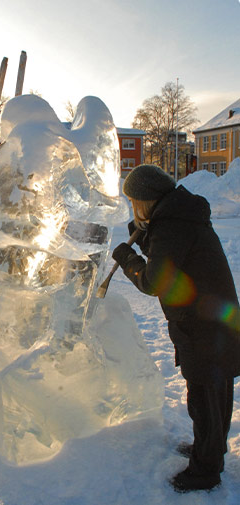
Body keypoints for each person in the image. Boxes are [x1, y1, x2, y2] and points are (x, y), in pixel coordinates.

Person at [112, 164, 240, 493]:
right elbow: (169, 258)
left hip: (203, 328)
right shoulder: (181, 217)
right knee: (216, 394)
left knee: (204, 399)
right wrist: (146, 239)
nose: (131, 207)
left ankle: (205, 470)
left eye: (132, 201)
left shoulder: (172, 226)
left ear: (146, 201)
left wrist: (128, 259)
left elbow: (155, 280)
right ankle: (211, 449)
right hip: (215, 320)